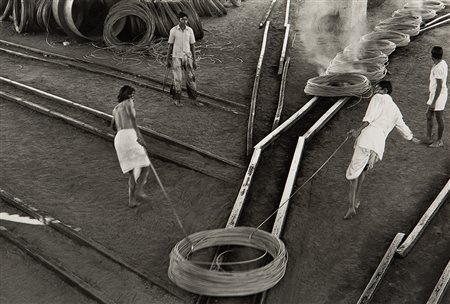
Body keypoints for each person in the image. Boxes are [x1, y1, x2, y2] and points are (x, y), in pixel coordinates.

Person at [344, 81, 419, 219]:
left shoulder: (378, 98)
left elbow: (369, 118)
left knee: (353, 175)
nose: (375, 90)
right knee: (362, 171)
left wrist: (357, 131)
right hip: (378, 146)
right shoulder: (396, 109)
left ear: (385, 90)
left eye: (378, 88)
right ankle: (357, 201)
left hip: (366, 140)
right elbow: (402, 127)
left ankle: (351, 207)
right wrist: (412, 138)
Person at [111, 85, 150, 208]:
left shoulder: (115, 109)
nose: (133, 97)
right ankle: (139, 190)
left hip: (119, 138)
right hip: (129, 135)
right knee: (145, 166)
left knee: (132, 172)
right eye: (132, 94)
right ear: (128, 95)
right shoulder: (129, 103)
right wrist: (140, 137)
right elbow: (133, 121)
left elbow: (112, 126)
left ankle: (131, 200)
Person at [166, 11, 203, 107]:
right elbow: (170, 46)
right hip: (176, 57)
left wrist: (194, 60)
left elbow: (192, 46)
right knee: (177, 79)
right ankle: (177, 100)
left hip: (188, 57)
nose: (185, 21)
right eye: (183, 19)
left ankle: (194, 100)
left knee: (191, 78)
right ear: (179, 19)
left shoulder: (190, 30)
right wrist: (167, 59)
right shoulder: (173, 30)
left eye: (186, 19)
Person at [424, 46, 447, 148]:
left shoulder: (438, 68)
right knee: (428, 115)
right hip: (435, 94)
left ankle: (439, 140)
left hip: (439, 96)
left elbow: (439, 86)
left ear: (433, 56)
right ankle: (429, 138)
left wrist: (433, 102)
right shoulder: (442, 63)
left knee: (439, 118)